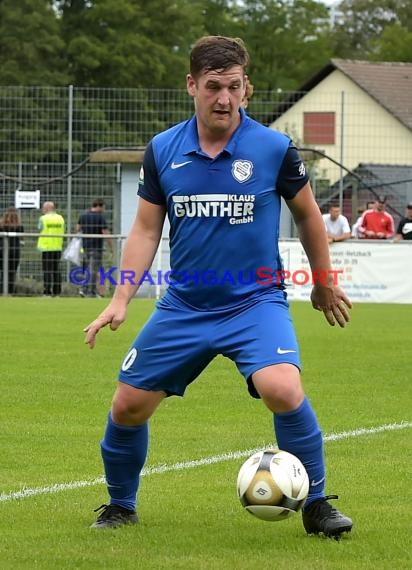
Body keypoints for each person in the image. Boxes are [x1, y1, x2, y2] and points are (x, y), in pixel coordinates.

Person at [84, 35, 353, 538]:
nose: (223, 98)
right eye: (213, 87)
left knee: (282, 387)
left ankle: (317, 504)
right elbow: (145, 230)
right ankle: (120, 505)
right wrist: (120, 298)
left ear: (246, 89)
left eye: (233, 86)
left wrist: (323, 283)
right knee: (127, 406)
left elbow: (309, 216)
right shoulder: (162, 150)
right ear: (192, 86)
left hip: (255, 302)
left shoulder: (274, 148)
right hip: (185, 304)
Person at [77, 198, 113, 298]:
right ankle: (89, 291)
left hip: (85, 247)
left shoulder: (83, 216)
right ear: (99, 206)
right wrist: (111, 246)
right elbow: (105, 233)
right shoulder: (100, 217)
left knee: (88, 269)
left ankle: (86, 289)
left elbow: (77, 229)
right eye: (104, 207)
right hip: (96, 247)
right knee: (93, 270)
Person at [37, 201, 65, 296]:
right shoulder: (60, 218)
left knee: (47, 270)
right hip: (57, 247)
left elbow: (39, 228)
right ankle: (57, 291)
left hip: (46, 247)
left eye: (43, 208)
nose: (42, 210)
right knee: (56, 270)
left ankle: (47, 291)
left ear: (48, 208)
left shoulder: (43, 218)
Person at [0, 207, 24, 294]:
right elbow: (21, 239)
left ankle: (2, 291)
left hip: (2, 250)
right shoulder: (19, 226)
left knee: (3, 272)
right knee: (12, 272)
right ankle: (10, 291)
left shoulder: (2, 226)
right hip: (15, 251)